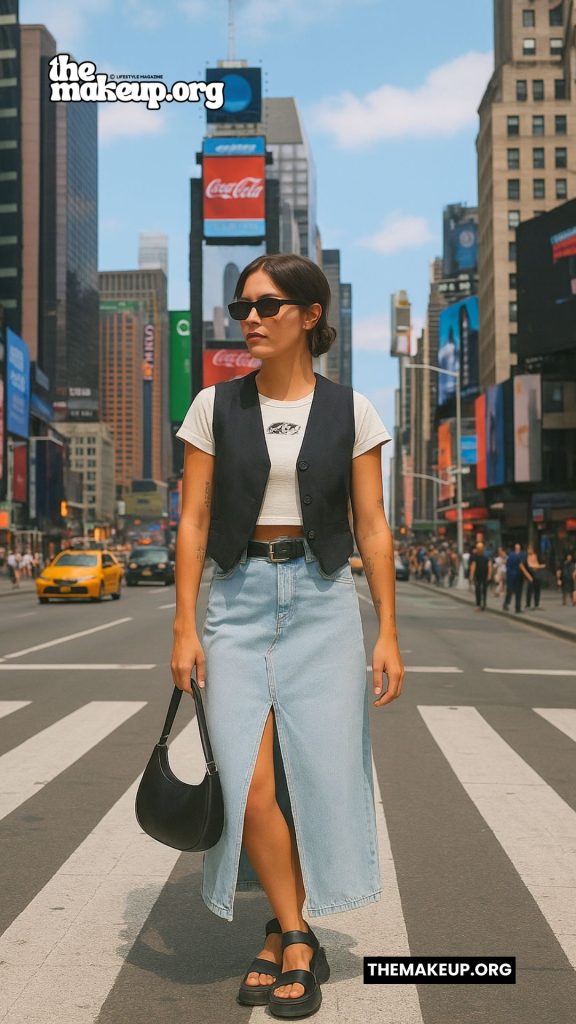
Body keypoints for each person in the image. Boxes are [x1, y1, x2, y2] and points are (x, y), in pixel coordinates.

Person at [171, 253, 404, 1019]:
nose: (251, 321)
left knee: (318, 776)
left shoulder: (352, 411)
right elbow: (195, 521)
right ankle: (300, 934)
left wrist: (387, 631)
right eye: (242, 308)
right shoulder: (213, 405)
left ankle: (279, 935)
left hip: (322, 600)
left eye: (267, 306)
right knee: (250, 782)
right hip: (236, 601)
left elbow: (371, 525)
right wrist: (184, 626)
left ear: (310, 314)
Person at [503, 542, 532, 613]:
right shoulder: (521, 555)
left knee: (512, 591)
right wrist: (528, 576)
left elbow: (507, 564)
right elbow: (521, 566)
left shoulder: (511, 555)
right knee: (515, 591)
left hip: (512, 575)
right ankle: (514, 606)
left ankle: (509, 605)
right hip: (516, 575)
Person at [468, 541, 492, 610]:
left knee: (481, 589)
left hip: (482, 575)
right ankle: (481, 603)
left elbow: (489, 565)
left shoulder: (483, 557)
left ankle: (482, 603)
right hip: (480, 576)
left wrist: (489, 575)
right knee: (480, 589)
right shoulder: (477, 557)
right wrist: (471, 576)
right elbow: (473, 566)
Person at [525, 543, 546, 609]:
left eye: (531, 549)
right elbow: (528, 565)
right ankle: (528, 604)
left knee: (537, 589)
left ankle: (536, 604)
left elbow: (543, 564)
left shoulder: (536, 556)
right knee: (529, 590)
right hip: (530, 574)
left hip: (537, 573)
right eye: (528, 549)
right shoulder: (526, 557)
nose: (530, 550)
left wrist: (538, 566)